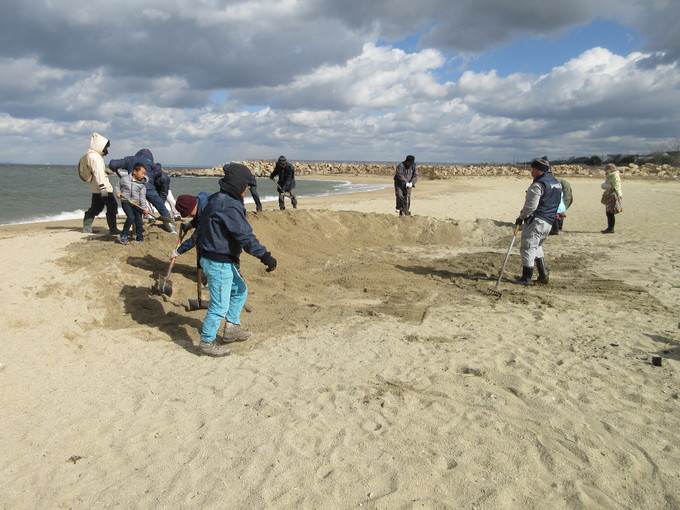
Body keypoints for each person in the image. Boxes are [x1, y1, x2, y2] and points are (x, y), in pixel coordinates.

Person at [196, 163, 277, 357]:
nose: (248, 189)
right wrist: (266, 257)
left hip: (217, 257)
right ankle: (207, 341)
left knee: (239, 290)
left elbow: (202, 219)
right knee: (219, 305)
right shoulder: (228, 205)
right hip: (218, 260)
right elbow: (245, 237)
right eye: (247, 185)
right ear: (239, 183)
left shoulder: (216, 198)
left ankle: (231, 328)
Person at [513, 157, 562, 286]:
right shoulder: (556, 183)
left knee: (528, 247)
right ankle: (543, 273)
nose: (531, 172)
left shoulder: (538, 185)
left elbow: (531, 206)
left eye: (533, 169)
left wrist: (521, 217)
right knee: (537, 246)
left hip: (537, 220)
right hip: (549, 220)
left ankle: (526, 277)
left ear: (539, 170)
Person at [108, 150, 178, 233]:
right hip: (149, 188)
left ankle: (135, 231)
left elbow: (112, 164)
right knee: (162, 209)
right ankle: (172, 229)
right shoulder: (152, 164)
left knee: (136, 210)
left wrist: (122, 176)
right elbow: (159, 173)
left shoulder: (131, 159)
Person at [79, 132, 121, 235]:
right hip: (103, 187)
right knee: (112, 206)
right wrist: (103, 187)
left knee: (96, 207)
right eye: (105, 147)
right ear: (100, 146)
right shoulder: (95, 157)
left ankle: (87, 227)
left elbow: (98, 172)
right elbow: (98, 172)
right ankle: (113, 229)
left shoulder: (92, 155)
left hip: (95, 187)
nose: (106, 150)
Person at [114, 163, 149, 244]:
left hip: (137, 204)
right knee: (131, 218)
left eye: (144, 174)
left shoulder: (142, 185)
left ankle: (139, 238)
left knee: (139, 222)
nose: (143, 175)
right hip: (126, 202)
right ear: (134, 172)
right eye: (142, 173)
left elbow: (142, 197)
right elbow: (117, 185)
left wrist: (144, 208)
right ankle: (124, 235)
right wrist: (118, 192)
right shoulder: (124, 179)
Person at [170, 191, 214, 257]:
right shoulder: (200, 199)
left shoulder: (206, 211)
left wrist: (178, 251)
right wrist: (191, 224)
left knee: (202, 244)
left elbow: (195, 237)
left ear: (194, 205)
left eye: (189, 213)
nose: (190, 216)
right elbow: (198, 215)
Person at [600, 163, 622, 234]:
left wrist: (606, 186)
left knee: (610, 213)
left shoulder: (615, 176)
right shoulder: (610, 176)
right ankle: (609, 228)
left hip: (614, 196)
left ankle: (611, 229)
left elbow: (616, 187)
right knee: (608, 212)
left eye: (606, 170)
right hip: (609, 195)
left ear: (610, 170)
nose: (605, 172)